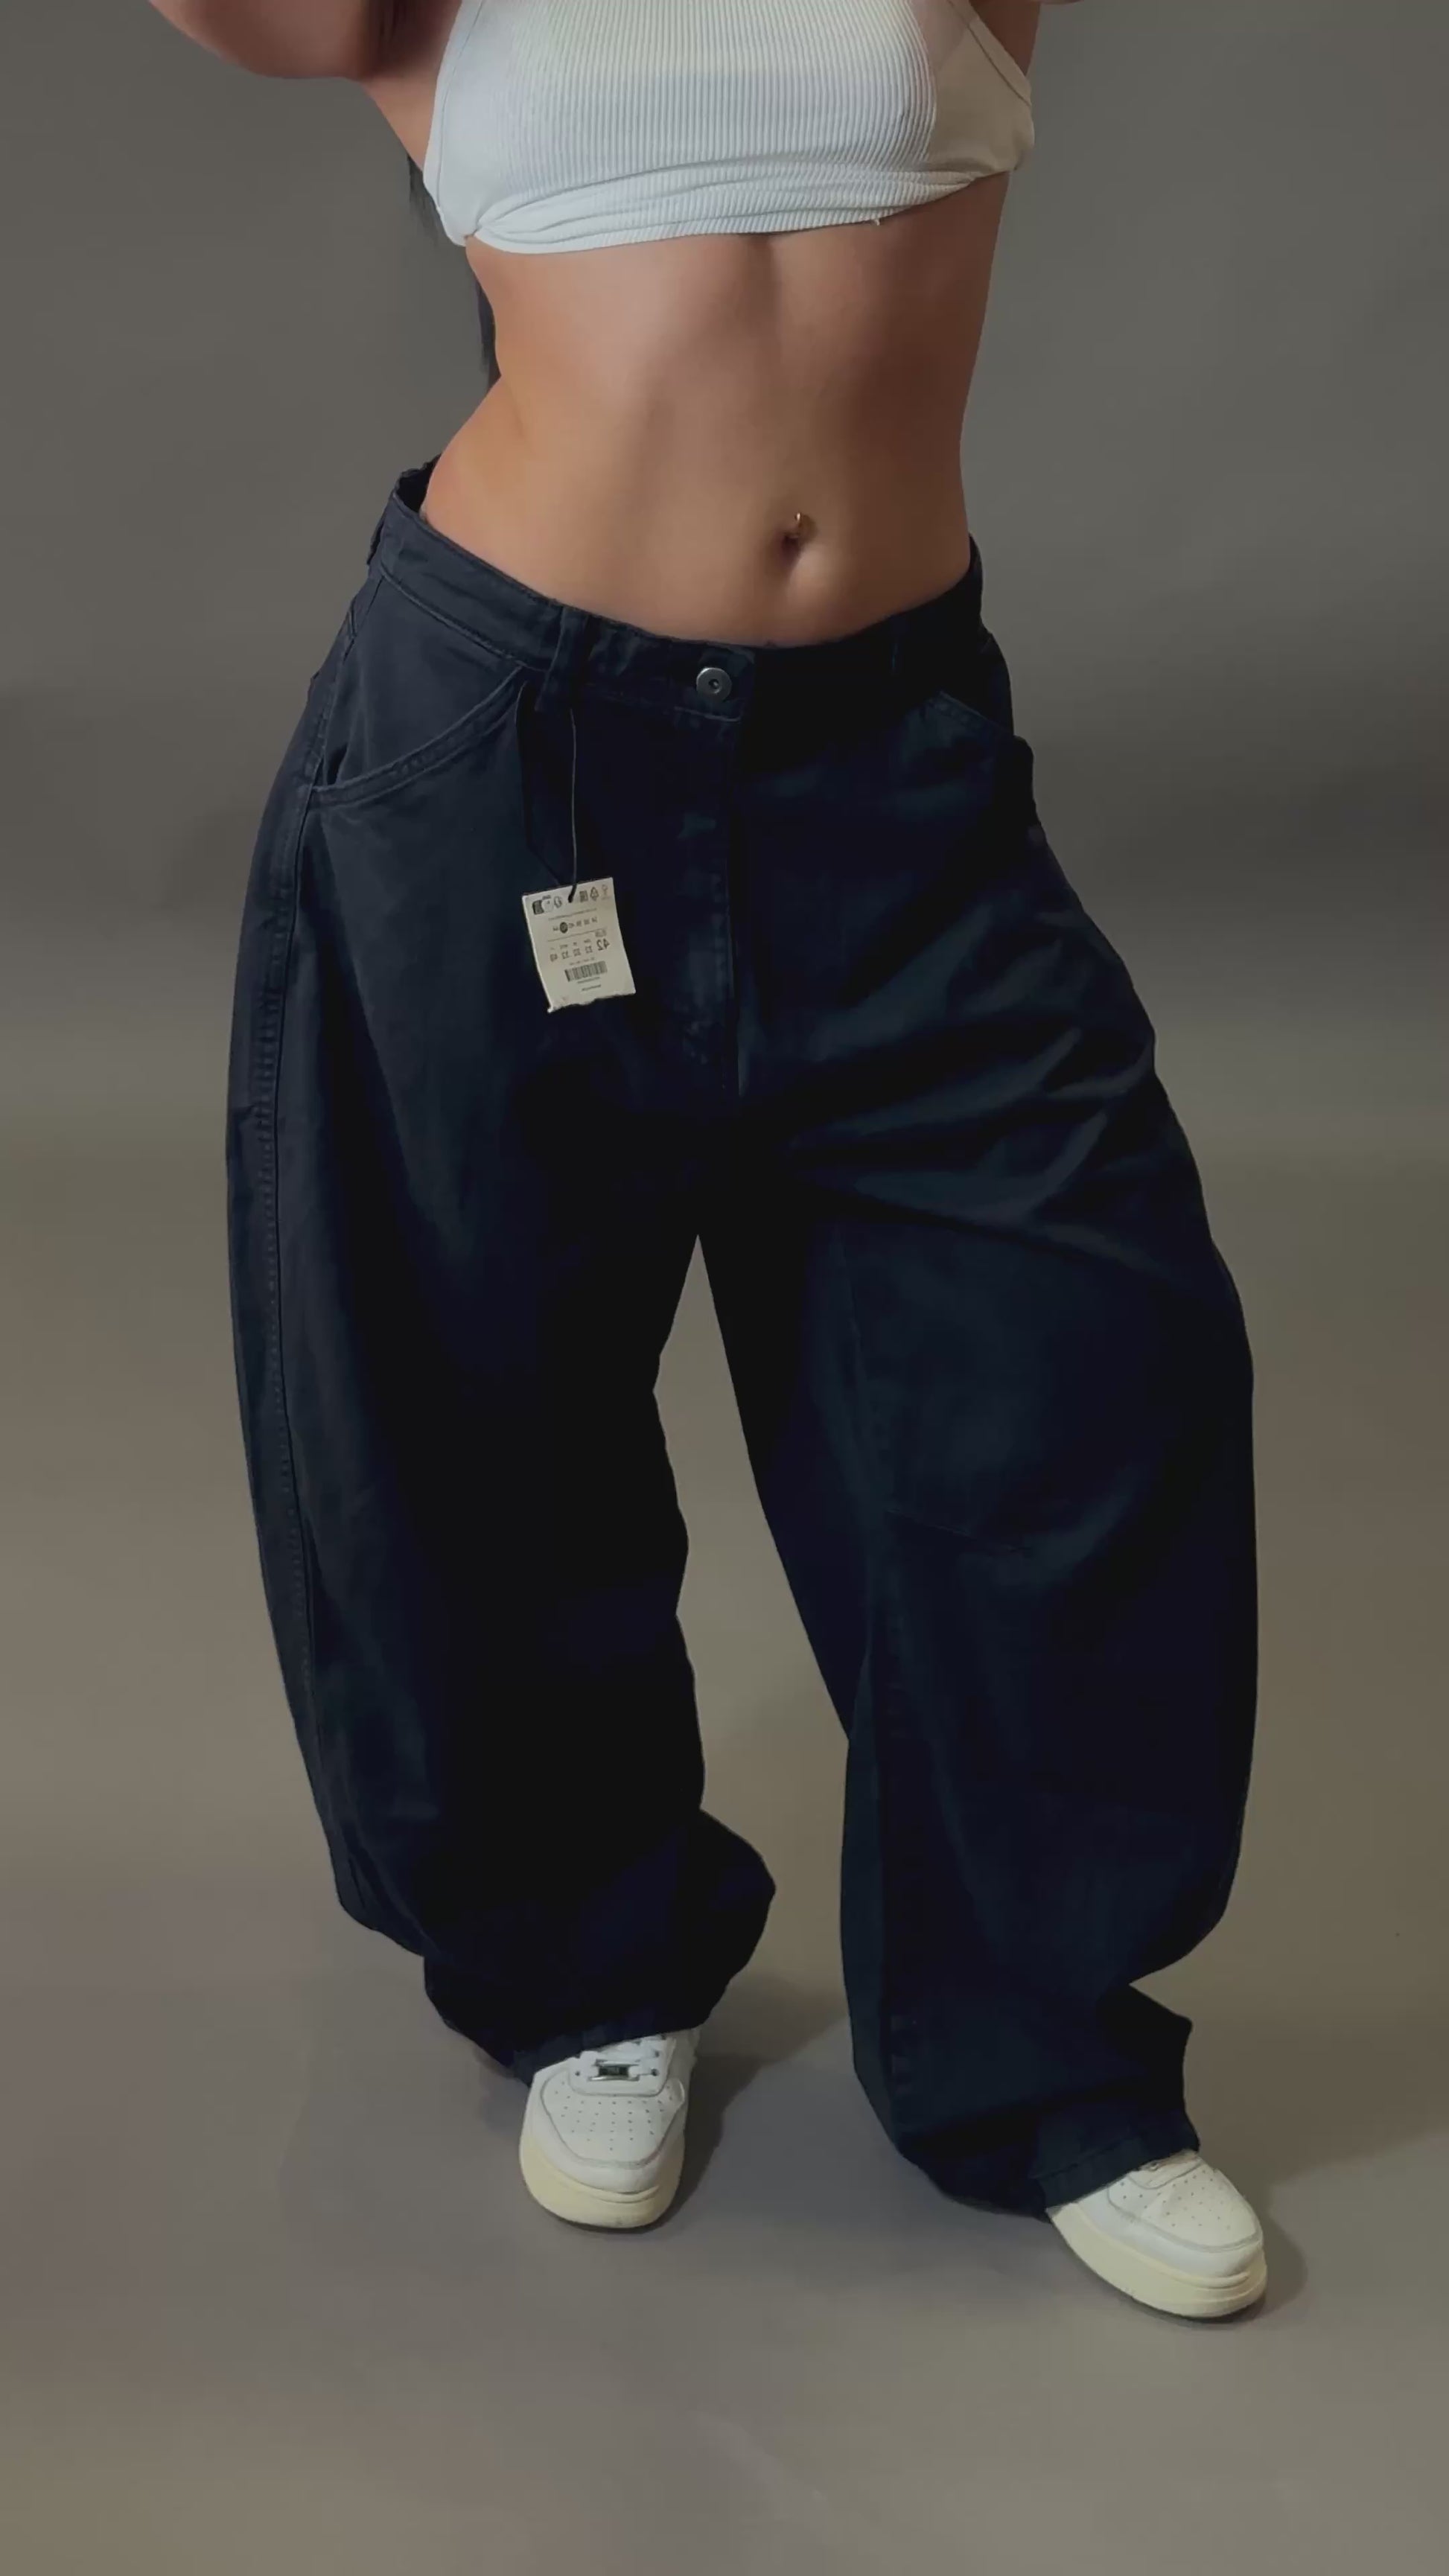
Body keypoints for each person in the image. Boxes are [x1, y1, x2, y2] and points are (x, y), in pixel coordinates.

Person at [150, 0, 1267, 2319]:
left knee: (1071, 1374)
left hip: (888, 758)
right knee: (468, 1402)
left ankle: (1046, 2050)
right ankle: (586, 1969)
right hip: (509, 742)